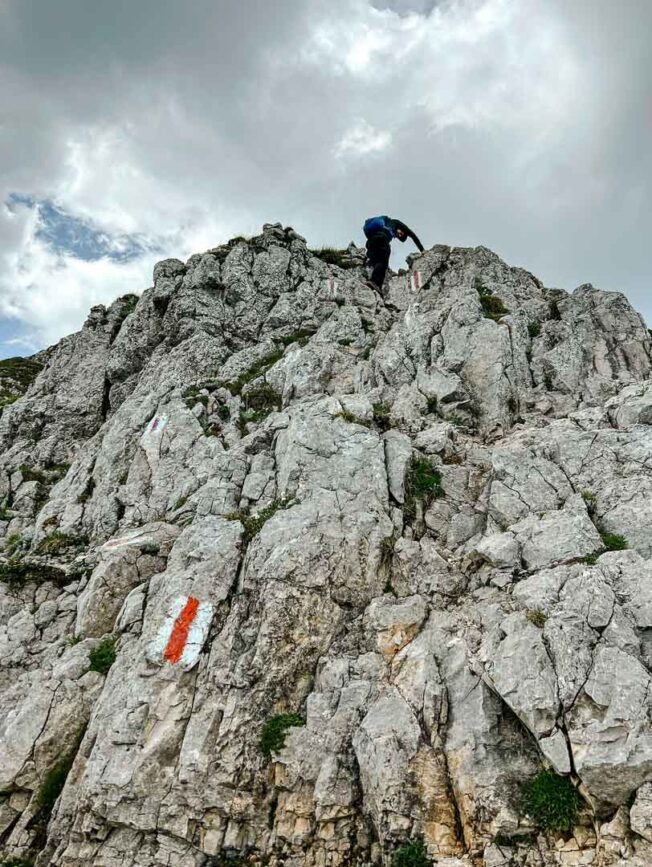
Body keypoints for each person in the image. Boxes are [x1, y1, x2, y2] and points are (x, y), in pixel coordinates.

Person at [363, 216, 425, 294]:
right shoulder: (395, 222)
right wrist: (422, 250)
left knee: (376, 262)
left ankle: (371, 282)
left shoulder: (387, 225)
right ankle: (375, 283)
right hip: (381, 240)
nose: (399, 235)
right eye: (401, 233)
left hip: (371, 243)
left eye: (399, 236)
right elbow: (412, 235)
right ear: (402, 229)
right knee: (383, 262)